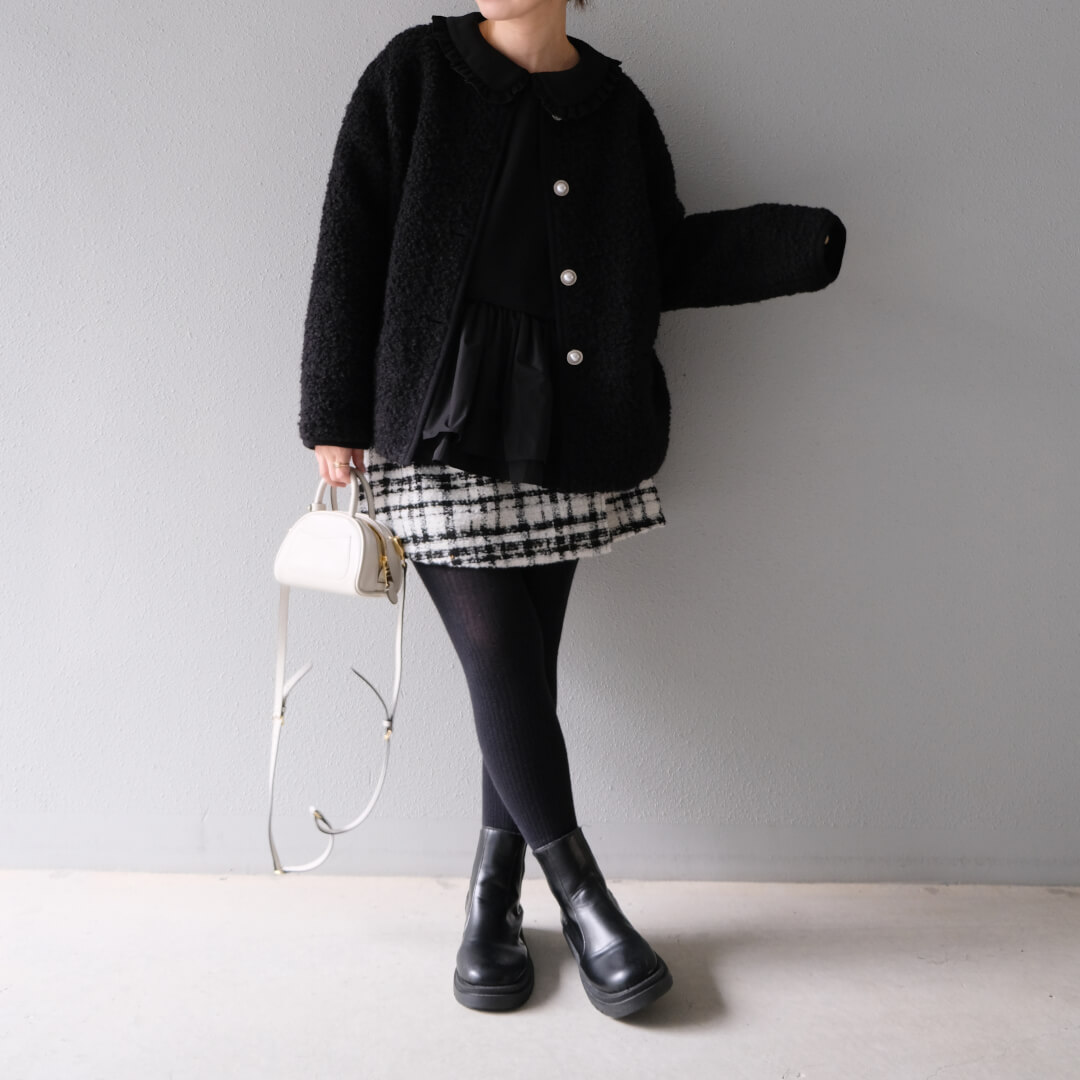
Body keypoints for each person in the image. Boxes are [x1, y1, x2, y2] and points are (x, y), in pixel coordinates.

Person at [299, 0, 846, 1019]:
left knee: (524, 676)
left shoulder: (614, 106)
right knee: (501, 661)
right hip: (434, 419)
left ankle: (490, 903)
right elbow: (351, 235)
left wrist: (793, 246)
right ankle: (587, 902)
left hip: (567, 420)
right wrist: (332, 410)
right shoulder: (414, 74)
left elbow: (658, 256)